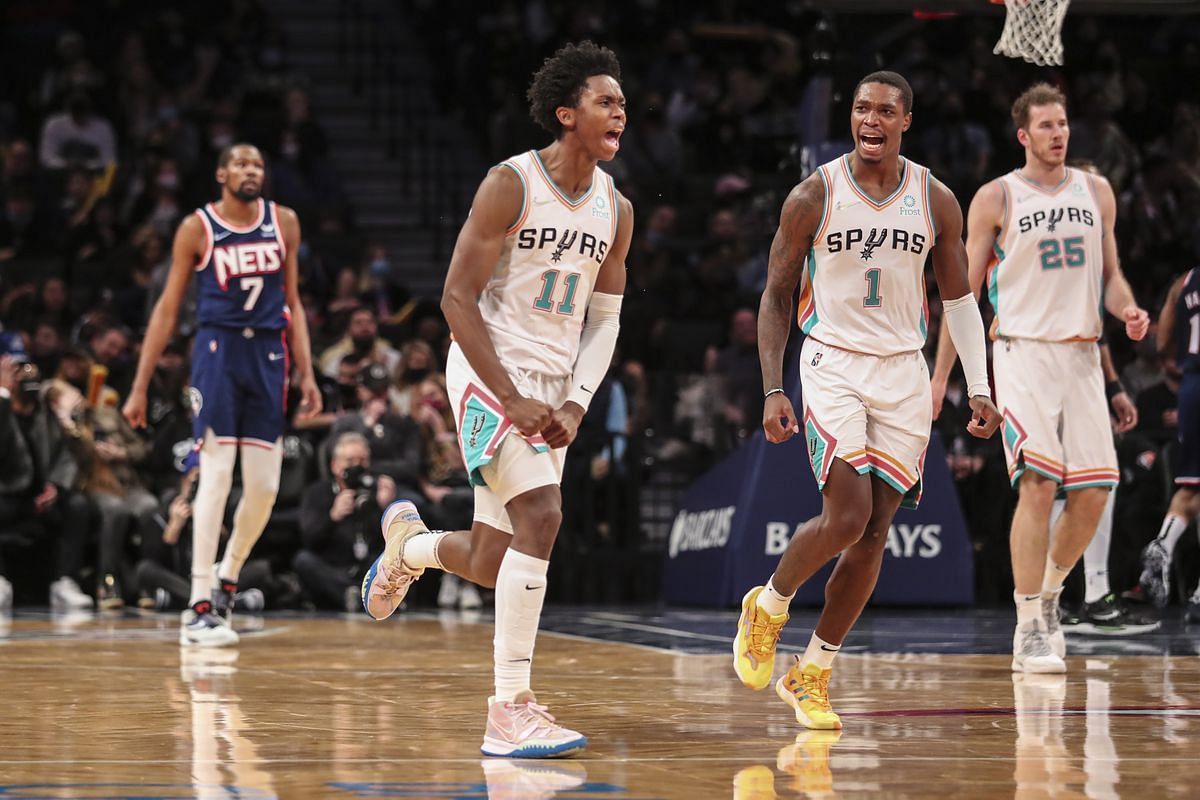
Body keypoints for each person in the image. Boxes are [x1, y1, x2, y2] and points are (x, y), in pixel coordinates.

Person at [360, 41, 631, 757]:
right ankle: (510, 708)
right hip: (488, 371)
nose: (621, 112)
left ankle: (409, 548)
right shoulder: (510, 184)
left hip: (548, 389)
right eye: (607, 101)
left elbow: (604, 321)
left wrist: (574, 402)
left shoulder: (617, 208)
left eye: (624, 103)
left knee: (490, 558)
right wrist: (508, 395)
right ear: (567, 113)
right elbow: (455, 298)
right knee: (542, 515)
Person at [734, 71, 1000, 730]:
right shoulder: (812, 195)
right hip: (833, 363)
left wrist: (983, 385)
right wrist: (772, 387)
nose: (870, 120)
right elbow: (774, 294)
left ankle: (813, 672)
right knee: (847, 515)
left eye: (885, 110)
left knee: (876, 531)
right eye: (861, 109)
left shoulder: (935, 199)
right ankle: (769, 603)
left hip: (904, 372)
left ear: (906, 119)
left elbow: (959, 300)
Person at [932, 84, 1149, 673]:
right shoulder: (996, 197)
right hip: (1021, 351)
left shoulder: (1096, 191)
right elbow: (962, 295)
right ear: (1024, 135)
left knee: (1097, 491)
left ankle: (1050, 594)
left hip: (1081, 355)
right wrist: (942, 377)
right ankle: (1028, 623)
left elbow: (1112, 275)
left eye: (1064, 123)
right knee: (1038, 484)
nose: (1059, 133)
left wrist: (1127, 309)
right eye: (1046, 126)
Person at [123, 143, 322, 647]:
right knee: (214, 477)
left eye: (257, 163)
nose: (250, 170)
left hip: (268, 359)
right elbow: (167, 311)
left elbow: (294, 304)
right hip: (217, 352)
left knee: (263, 489)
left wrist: (308, 373)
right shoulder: (198, 227)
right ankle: (199, 604)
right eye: (240, 163)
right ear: (221, 174)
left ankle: (228, 575)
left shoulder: (285, 222)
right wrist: (140, 385)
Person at [1135, 267, 1200, 622]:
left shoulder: (1183, 282)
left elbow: (1162, 346)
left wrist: (1184, 372)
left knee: (1190, 485)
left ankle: (1163, 543)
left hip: (1191, 388)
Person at [295, 432, 397, 611]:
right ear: (335, 466)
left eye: (362, 460)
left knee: (397, 558)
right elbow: (309, 539)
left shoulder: (377, 490)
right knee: (303, 561)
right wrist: (332, 517)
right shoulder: (317, 492)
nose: (357, 466)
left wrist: (384, 508)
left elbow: (388, 543)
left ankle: (362, 596)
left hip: (367, 569)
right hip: (334, 569)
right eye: (350, 461)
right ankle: (357, 597)